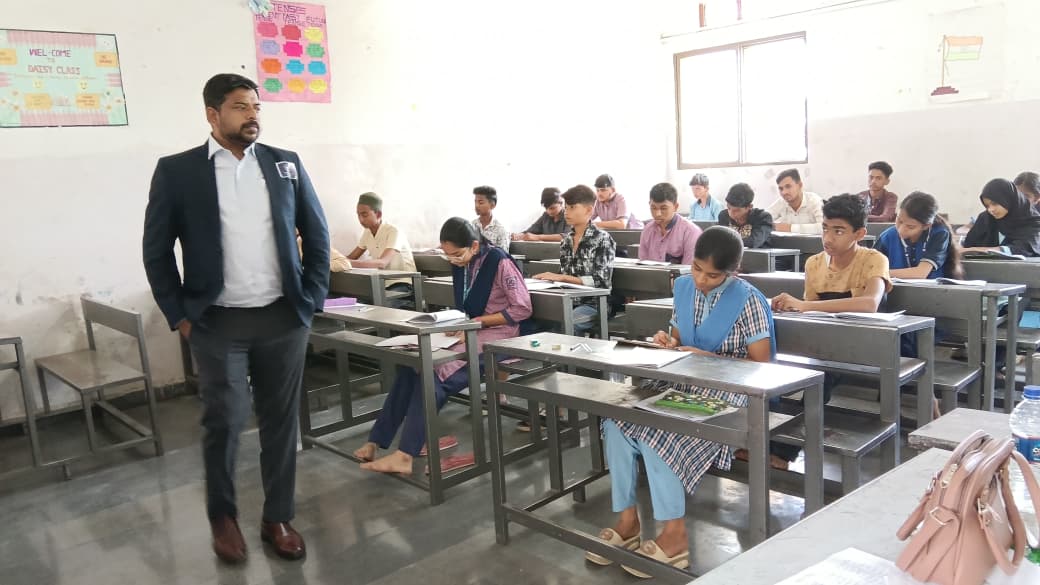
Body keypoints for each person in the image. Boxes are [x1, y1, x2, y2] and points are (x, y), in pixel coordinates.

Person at [142, 73, 329, 563]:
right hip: (216, 322)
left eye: (256, 107)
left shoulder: (285, 164)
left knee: (281, 422)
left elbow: (317, 233)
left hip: (282, 318)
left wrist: (310, 300)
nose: (252, 116)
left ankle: (277, 517)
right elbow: (156, 251)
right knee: (223, 421)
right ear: (213, 114)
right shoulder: (178, 171)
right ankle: (223, 517)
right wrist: (180, 316)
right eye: (241, 107)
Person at [585, 227, 774, 576]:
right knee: (615, 423)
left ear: (733, 270)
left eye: (713, 275)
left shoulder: (749, 300)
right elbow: (677, 338)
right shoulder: (684, 287)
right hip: (681, 381)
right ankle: (628, 521)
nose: (701, 280)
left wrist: (707, 358)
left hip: (728, 391)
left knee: (658, 431)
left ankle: (675, 537)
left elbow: (762, 367)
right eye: (697, 268)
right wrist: (667, 342)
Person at [354, 218, 532, 473]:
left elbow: (522, 308)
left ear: (474, 245)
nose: (453, 260)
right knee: (411, 366)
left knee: (434, 373)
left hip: (499, 336)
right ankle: (376, 440)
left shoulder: (499, 262)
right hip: (469, 330)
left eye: (456, 254)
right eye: (448, 255)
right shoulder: (465, 263)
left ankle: (405, 455)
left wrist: (479, 322)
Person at [769, 193, 892, 468]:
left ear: (859, 233)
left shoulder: (874, 260)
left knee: (817, 379)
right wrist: (791, 307)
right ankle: (766, 443)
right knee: (772, 367)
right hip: (823, 343)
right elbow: (809, 313)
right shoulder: (814, 263)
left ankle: (782, 453)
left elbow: (870, 304)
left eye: (838, 231)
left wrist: (804, 305)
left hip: (865, 345)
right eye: (825, 228)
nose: (828, 237)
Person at [532, 184, 615, 336]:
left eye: (572, 207)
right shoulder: (567, 240)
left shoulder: (602, 239)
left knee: (567, 322)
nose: (566, 212)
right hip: (567, 301)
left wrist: (562, 277)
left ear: (589, 210)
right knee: (535, 318)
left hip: (594, 304)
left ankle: (573, 352)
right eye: (566, 207)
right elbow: (563, 274)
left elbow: (601, 282)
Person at [346, 192, 419, 306]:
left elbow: (382, 263)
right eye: (358, 215)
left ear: (378, 214)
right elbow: (351, 257)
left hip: (403, 283)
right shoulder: (367, 233)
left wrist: (347, 263)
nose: (360, 219)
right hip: (381, 284)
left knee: (376, 308)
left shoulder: (394, 231)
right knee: (356, 304)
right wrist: (335, 260)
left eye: (364, 215)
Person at [874, 191, 962, 279]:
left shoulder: (939, 234)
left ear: (926, 226)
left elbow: (920, 273)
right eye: (899, 221)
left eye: (910, 227)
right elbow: (870, 265)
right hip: (894, 287)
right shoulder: (887, 236)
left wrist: (878, 273)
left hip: (931, 287)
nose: (901, 230)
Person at [963, 178, 1040, 257]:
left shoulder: (1033, 222)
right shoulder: (985, 218)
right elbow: (968, 245)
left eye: (995, 203)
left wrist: (977, 250)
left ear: (1008, 199)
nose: (991, 210)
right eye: (987, 205)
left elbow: (1022, 249)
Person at [639, 182, 702, 264]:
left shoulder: (691, 232)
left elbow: (689, 269)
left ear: (675, 207)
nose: (657, 214)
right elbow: (642, 264)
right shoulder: (647, 230)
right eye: (653, 208)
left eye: (663, 208)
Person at [717, 182, 774, 249]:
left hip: (756, 254)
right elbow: (720, 239)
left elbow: (754, 241)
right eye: (729, 208)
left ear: (749, 207)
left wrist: (727, 243)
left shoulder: (763, 217)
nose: (731, 213)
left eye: (736, 210)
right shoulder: (724, 215)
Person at [767, 168, 824, 234]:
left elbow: (824, 228)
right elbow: (762, 218)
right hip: (788, 240)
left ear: (800, 185)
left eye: (788, 186)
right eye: (781, 188)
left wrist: (789, 228)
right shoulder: (781, 202)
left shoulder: (814, 201)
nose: (784, 192)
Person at [472, 185, 511, 250]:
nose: (476, 206)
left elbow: (503, 254)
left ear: (492, 205)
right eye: (475, 202)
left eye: (480, 202)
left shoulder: (501, 229)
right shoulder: (472, 225)